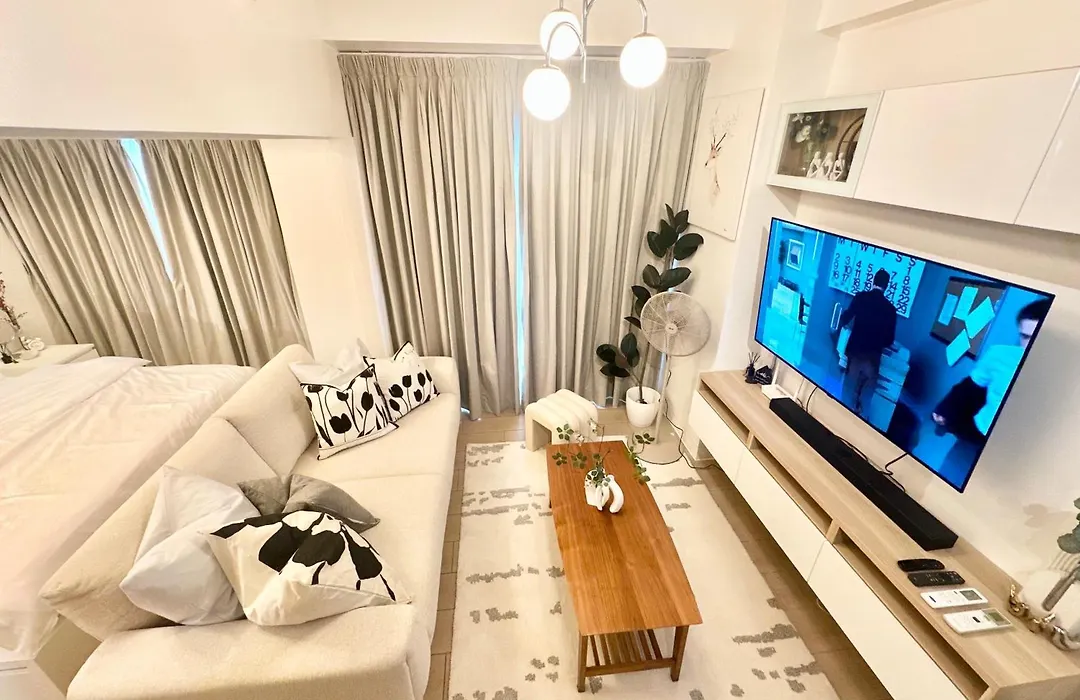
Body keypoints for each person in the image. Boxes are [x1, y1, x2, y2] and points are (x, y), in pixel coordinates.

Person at [932, 298, 1050, 472]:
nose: (1030, 346)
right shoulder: (1000, 354)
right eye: (1025, 337)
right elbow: (969, 388)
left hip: (1022, 457)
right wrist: (945, 410)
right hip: (976, 437)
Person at [837, 269, 898, 418]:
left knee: (848, 390)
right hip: (873, 358)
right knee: (864, 398)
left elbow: (845, 318)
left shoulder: (861, 297)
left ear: (873, 281)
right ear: (886, 286)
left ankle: (841, 417)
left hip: (855, 353)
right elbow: (889, 340)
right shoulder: (891, 310)